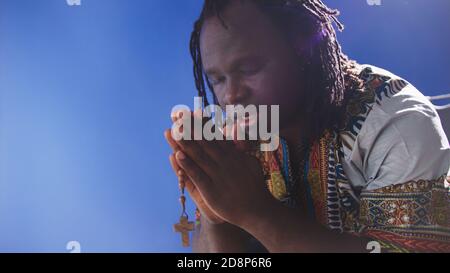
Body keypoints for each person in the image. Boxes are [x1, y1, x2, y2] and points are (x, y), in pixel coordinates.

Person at [164, 0, 450, 252]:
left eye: (248, 69)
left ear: (302, 48)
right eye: (217, 79)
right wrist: (215, 213)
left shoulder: (393, 122)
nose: (230, 96)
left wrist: (257, 213)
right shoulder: (239, 137)